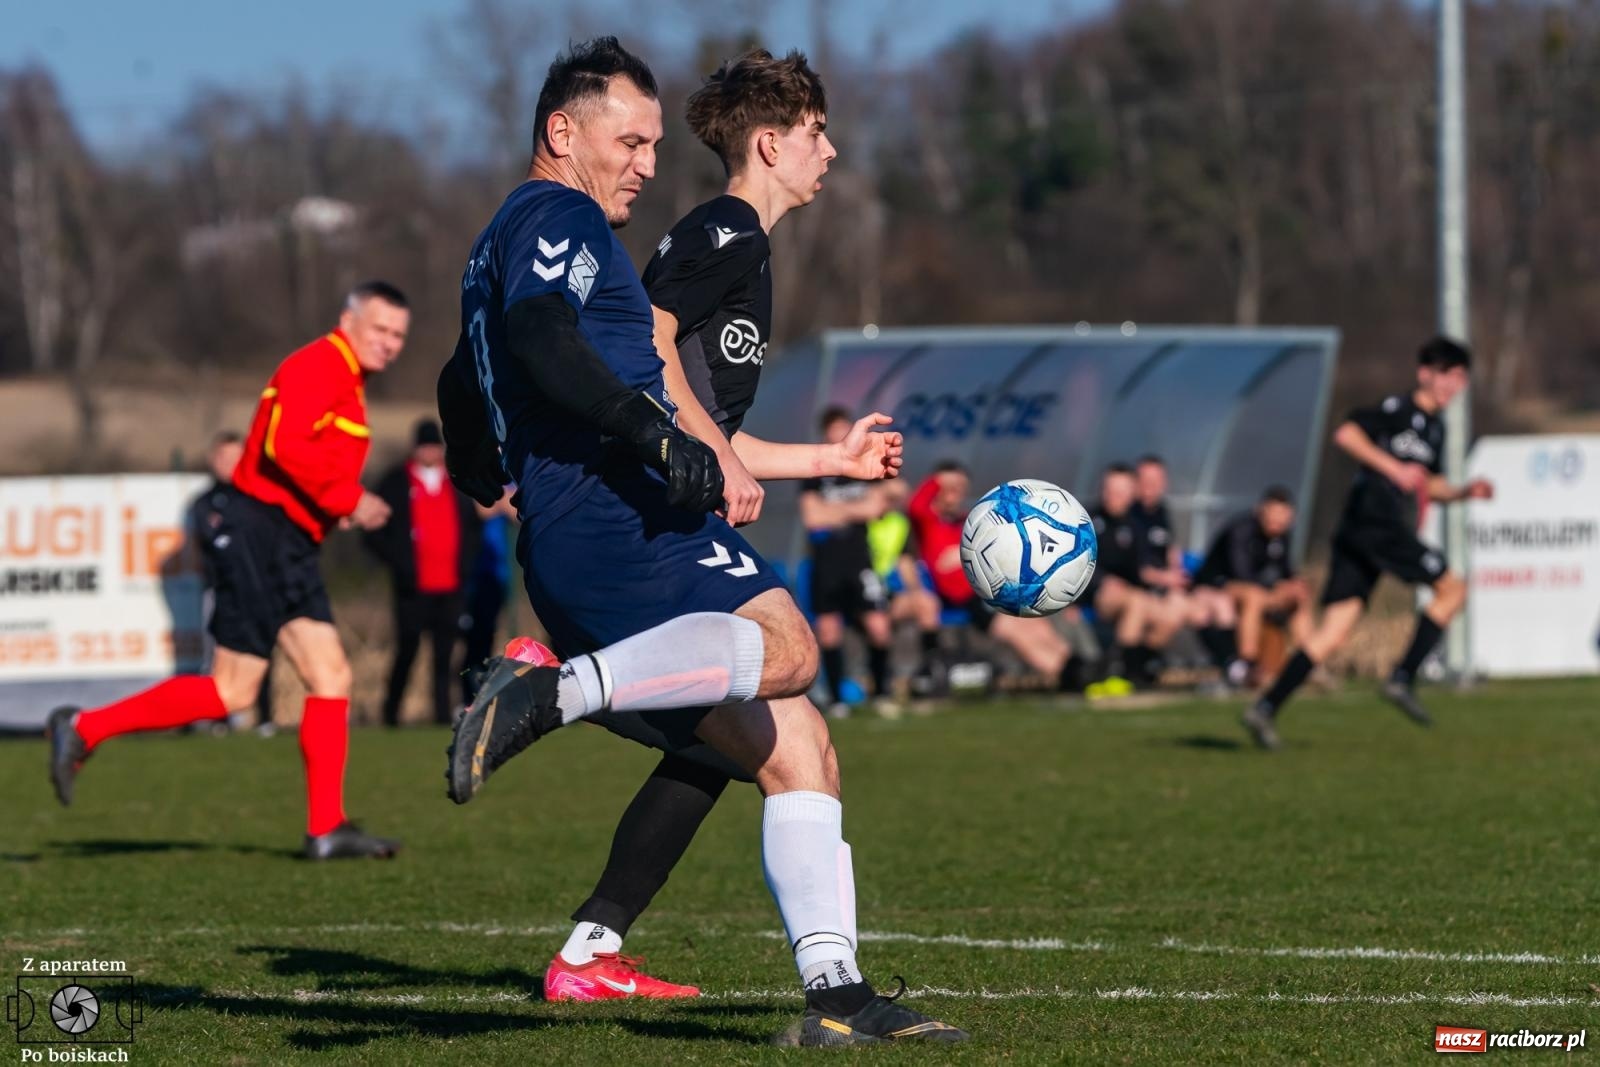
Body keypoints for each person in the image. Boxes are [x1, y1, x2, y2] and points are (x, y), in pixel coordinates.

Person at [435, 39, 963, 1044]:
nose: (645, 161)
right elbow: (546, 338)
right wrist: (655, 437)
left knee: (789, 742)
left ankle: (834, 997)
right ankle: (549, 690)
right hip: (617, 507)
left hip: (598, 510)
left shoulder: (521, 233)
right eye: (628, 140)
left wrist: (482, 470)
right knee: (791, 652)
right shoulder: (557, 212)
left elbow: (465, 375)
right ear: (562, 132)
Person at [46, 282, 408, 860]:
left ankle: (326, 828)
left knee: (331, 676)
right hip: (258, 537)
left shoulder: (347, 379)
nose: (390, 344)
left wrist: (328, 507)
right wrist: (347, 498)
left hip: (288, 541)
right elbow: (285, 447)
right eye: (380, 330)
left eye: (398, 336)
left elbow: (299, 457)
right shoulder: (320, 364)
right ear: (349, 319)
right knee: (232, 691)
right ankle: (84, 727)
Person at [1242, 337, 1494, 750]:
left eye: (1460, 378)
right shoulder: (1398, 411)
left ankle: (1265, 707)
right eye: (1446, 375)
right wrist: (1392, 468)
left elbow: (1426, 482)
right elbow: (1348, 435)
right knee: (1453, 588)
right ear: (1425, 373)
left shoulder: (1435, 428)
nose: (1453, 385)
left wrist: (1465, 492)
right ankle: (1401, 678)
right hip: (1374, 522)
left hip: (1364, 532)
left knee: (1333, 632)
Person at [907, 462, 1083, 692]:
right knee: (1015, 631)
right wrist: (939, 481)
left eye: (960, 488)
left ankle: (1074, 664)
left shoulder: (967, 523)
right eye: (950, 487)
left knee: (1037, 623)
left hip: (995, 585)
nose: (955, 493)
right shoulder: (930, 522)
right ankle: (1063, 673)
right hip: (969, 596)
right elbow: (915, 505)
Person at [365, 419, 481, 726]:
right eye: (424, 446)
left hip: (451, 584)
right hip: (412, 586)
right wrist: (398, 562)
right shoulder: (394, 482)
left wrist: (466, 564)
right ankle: (391, 715)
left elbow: (472, 529)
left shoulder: (457, 481)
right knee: (407, 649)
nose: (429, 452)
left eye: (433, 446)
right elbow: (374, 531)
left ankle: (442, 717)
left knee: (445, 657)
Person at [800, 407, 895, 717]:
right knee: (829, 631)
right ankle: (838, 700)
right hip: (827, 562)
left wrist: (835, 511)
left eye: (845, 429)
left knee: (879, 627)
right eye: (835, 430)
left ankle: (882, 692)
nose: (840, 435)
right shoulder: (814, 472)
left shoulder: (864, 466)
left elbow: (877, 507)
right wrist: (857, 508)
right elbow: (813, 518)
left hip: (860, 559)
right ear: (826, 433)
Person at [1191, 486, 1311, 687]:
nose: (1277, 522)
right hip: (1219, 586)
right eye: (1273, 516)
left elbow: (1286, 571)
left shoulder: (1282, 536)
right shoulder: (1241, 530)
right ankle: (1248, 664)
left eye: (1283, 517)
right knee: (1253, 596)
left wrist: (1293, 585)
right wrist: (1276, 591)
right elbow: (1242, 574)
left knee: (1299, 595)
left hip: (1261, 590)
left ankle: (1308, 662)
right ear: (1262, 511)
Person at [1086, 464, 1179, 690]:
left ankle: (1143, 665)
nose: (1112, 497)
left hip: (1130, 594)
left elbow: (1141, 570)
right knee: (1136, 602)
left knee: (1172, 612)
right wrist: (1104, 580)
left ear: (1131, 493)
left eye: (1120, 491)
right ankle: (1118, 670)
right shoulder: (1086, 522)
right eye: (1109, 490)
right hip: (1096, 594)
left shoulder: (1135, 526)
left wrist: (1165, 581)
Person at [460, 489, 517, 704]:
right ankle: (466, 699)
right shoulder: (468, 478)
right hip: (467, 577)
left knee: (486, 639)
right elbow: (475, 508)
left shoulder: (506, 474)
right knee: (469, 643)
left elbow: (518, 511)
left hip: (496, 576)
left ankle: (479, 697)